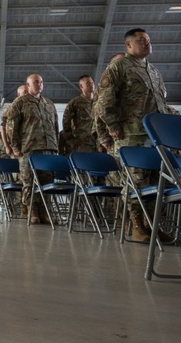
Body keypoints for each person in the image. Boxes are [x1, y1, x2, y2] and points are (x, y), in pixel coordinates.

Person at [97, 29, 169, 243]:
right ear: (128, 45)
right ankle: (137, 226)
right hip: (131, 135)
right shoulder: (119, 67)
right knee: (136, 182)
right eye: (141, 40)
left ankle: (151, 225)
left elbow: (161, 103)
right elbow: (103, 101)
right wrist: (112, 126)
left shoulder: (153, 71)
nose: (147, 43)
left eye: (148, 39)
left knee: (156, 184)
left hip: (155, 137)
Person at [5, 74, 59, 225]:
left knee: (47, 181)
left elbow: (55, 127)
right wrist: (15, 147)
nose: (39, 84)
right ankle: (32, 210)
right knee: (29, 181)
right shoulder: (20, 103)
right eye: (35, 82)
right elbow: (11, 126)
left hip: (49, 148)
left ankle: (45, 211)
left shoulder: (48, 104)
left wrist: (56, 146)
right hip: (29, 149)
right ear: (28, 85)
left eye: (41, 82)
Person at [59, 75, 96, 158]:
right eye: (88, 83)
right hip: (81, 142)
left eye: (92, 83)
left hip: (96, 142)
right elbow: (66, 122)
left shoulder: (98, 101)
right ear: (81, 86)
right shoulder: (75, 103)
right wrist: (71, 140)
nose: (91, 85)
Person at [0, 85, 27, 160]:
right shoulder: (12, 108)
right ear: (18, 94)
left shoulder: (31, 107)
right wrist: (7, 146)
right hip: (17, 147)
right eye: (25, 92)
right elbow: (3, 127)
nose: (27, 95)